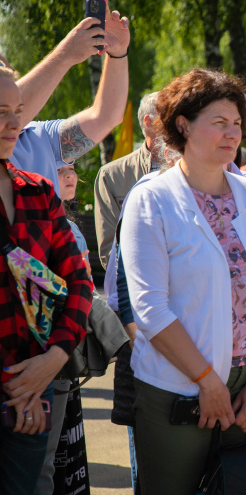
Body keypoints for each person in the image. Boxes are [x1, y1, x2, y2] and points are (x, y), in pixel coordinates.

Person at [120, 68, 246, 494]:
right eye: (219, 123)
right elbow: (150, 308)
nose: (233, 133)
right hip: (176, 390)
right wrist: (207, 383)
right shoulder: (151, 198)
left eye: (237, 123)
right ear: (183, 125)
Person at [0, 66, 93, 495]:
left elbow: (79, 284)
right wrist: (21, 386)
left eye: (18, 111)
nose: (15, 124)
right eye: (1, 112)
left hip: (35, 395)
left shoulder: (39, 190)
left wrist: (52, 362)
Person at [9, 0, 129, 193]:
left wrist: (117, 53)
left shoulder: (40, 137)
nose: (12, 84)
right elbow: (11, 109)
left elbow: (106, 117)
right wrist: (65, 54)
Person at [34, 164, 94, 495]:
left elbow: (78, 290)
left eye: (72, 168)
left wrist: (59, 352)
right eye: (60, 169)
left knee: (46, 460)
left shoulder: (66, 225)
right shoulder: (37, 221)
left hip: (56, 358)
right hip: (43, 356)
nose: (70, 176)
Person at [94, 92, 160, 269]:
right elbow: (109, 248)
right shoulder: (112, 175)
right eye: (170, 116)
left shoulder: (192, 168)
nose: (179, 124)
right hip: (133, 287)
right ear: (149, 122)